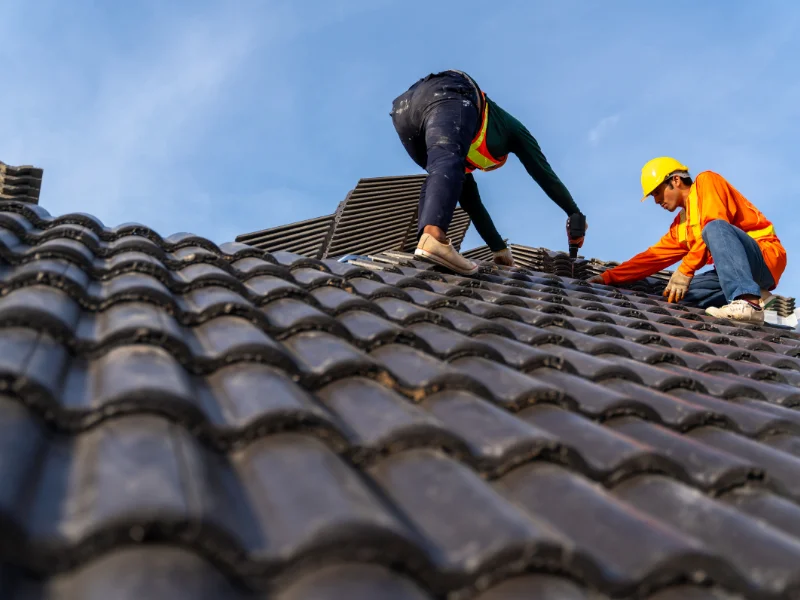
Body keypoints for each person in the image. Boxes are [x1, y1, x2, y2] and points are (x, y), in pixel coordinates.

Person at [390, 69, 587, 275]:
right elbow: (544, 174)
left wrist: (499, 249)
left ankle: (424, 245)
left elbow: (473, 204)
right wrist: (574, 213)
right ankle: (433, 236)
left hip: (404, 112)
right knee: (447, 163)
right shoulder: (512, 130)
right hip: (450, 91)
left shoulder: (459, 152)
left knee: (441, 175)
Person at [587, 157, 787, 324]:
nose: (656, 201)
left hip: (764, 257)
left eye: (657, 192)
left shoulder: (706, 181)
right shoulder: (681, 226)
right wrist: (608, 277)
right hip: (735, 271)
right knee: (680, 295)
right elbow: (651, 257)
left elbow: (715, 223)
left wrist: (685, 269)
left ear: (675, 180)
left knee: (714, 227)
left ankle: (748, 302)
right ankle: (761, 298)